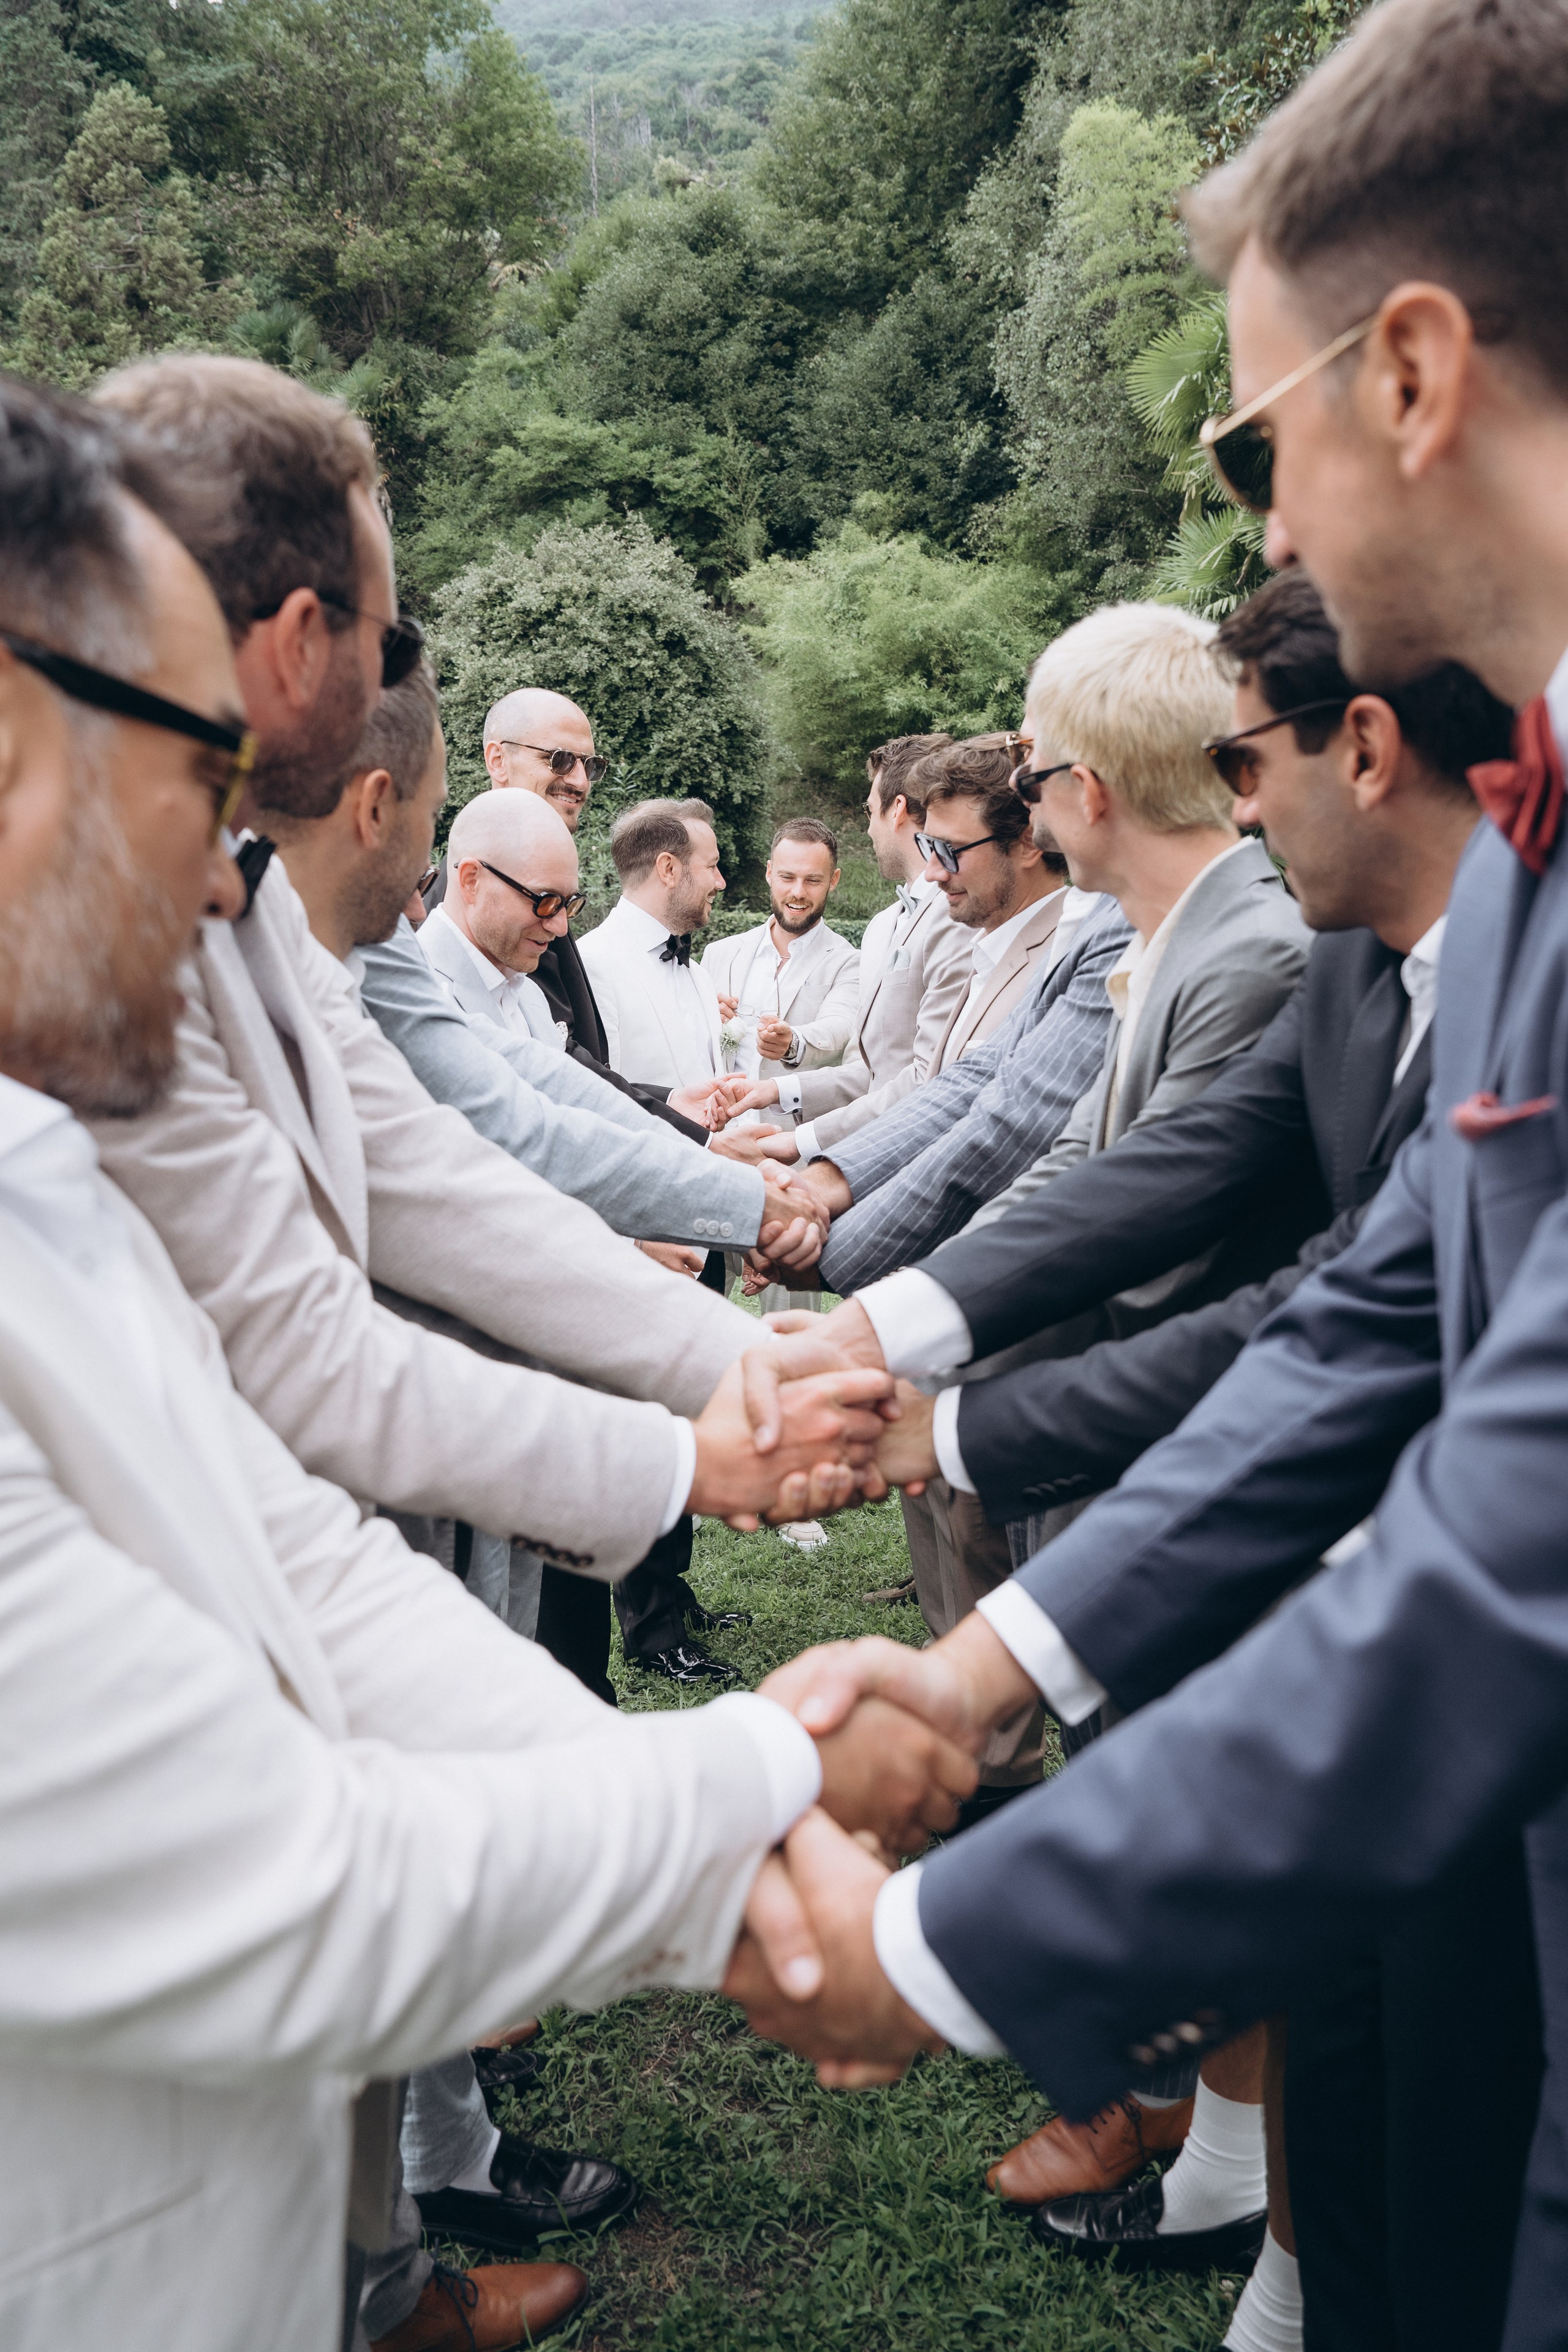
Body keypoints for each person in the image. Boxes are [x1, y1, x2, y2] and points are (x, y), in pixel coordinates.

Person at [729, 8, 1568, 2348]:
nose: (1263, 527)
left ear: (1411, 374)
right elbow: (1385, 1299)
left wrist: (943, 1945)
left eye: (1248, 437)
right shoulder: (1525, 855)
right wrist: (983, 1670)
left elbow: (1516, 1533)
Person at [0, 369, 977, 2352]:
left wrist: (715, 1411)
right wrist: (765, 1780)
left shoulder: (43, 1141)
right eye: (197, 771)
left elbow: (296, 1534)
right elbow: (293, 1883)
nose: (225, 873)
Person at [793, 601, 1310, 1302]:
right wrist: (824, 1188)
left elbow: (1093, 1194)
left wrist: (864, 1306)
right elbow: (991, 1089)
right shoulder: (1111, 925)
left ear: (1087, 792)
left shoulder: (1251, 957)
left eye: (1030, 767)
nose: (1019, 791)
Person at [845, 731, 1095, 1637]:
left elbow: (1003, 1126)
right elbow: (955, 1089)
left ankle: (986, 1718)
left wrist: (827, 1233)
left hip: (1005, 1295)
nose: (931, 871)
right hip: (948, 1275)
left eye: (949, 851)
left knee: (989, 1543)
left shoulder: (1074, 943)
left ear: (1026, 840)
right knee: (948, 1520)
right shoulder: (993, 943)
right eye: (927, 846)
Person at [425, 685, 712, 1141]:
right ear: (497, 760)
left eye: (590, 765)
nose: (580, 781)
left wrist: (671, 1105)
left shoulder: (526, 968)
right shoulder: (453, 936)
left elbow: (561, 1062)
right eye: (559, 760)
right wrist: (699, 1143)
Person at [722, 735, 973, 1156]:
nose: (869, 828)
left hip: (914, 1152)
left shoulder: (958, 916)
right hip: (860, 1149)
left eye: (870, 810)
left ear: (896, 810)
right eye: (787, 877)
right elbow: (869, 1072)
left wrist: (800, 1142)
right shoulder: (881, 927)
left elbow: (928, 1077)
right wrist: (777, 1091)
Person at [702, 817, 859, 1087]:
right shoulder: (718, 954)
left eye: (813, 880)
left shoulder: (850, 962)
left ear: (833, 880)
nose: (798, 892)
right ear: (769, 873)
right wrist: (704, 1019)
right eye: (787, 877)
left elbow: (840, 1026)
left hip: (792, 1115)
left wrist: (793, 1043)